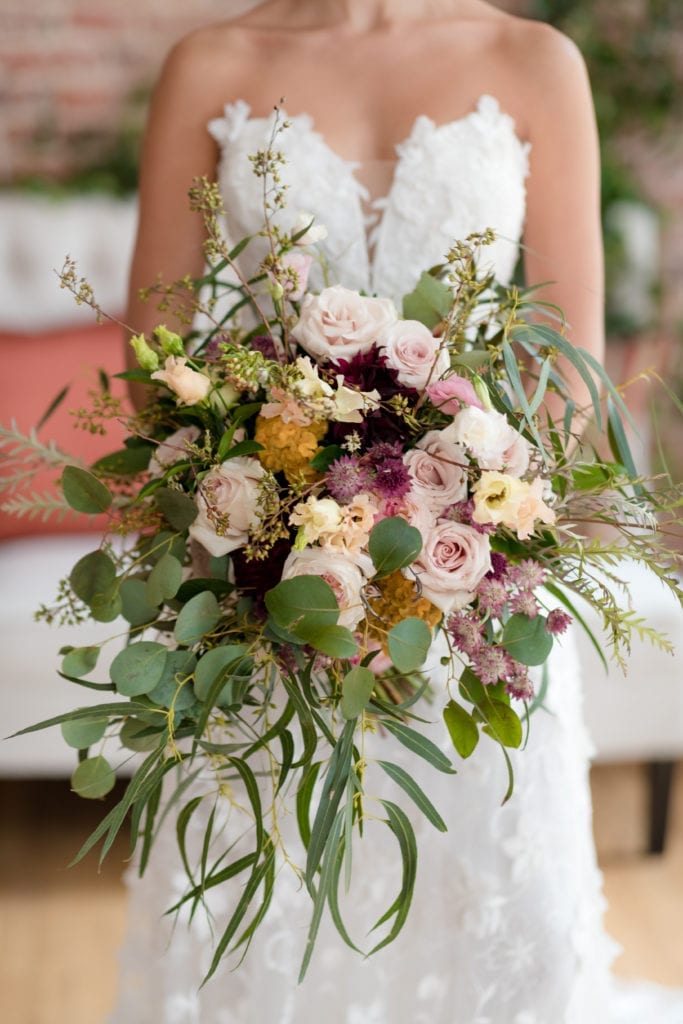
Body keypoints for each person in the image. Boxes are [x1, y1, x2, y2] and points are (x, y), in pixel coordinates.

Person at [110, 2, 683, 1021]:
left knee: (488, 909)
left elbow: (567, 370)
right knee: (268, 906)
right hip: (261, 599)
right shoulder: (213, 64)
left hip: (472, 583)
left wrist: (457, 539)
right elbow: (154, 365)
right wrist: (271, 513)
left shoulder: (533, 62)